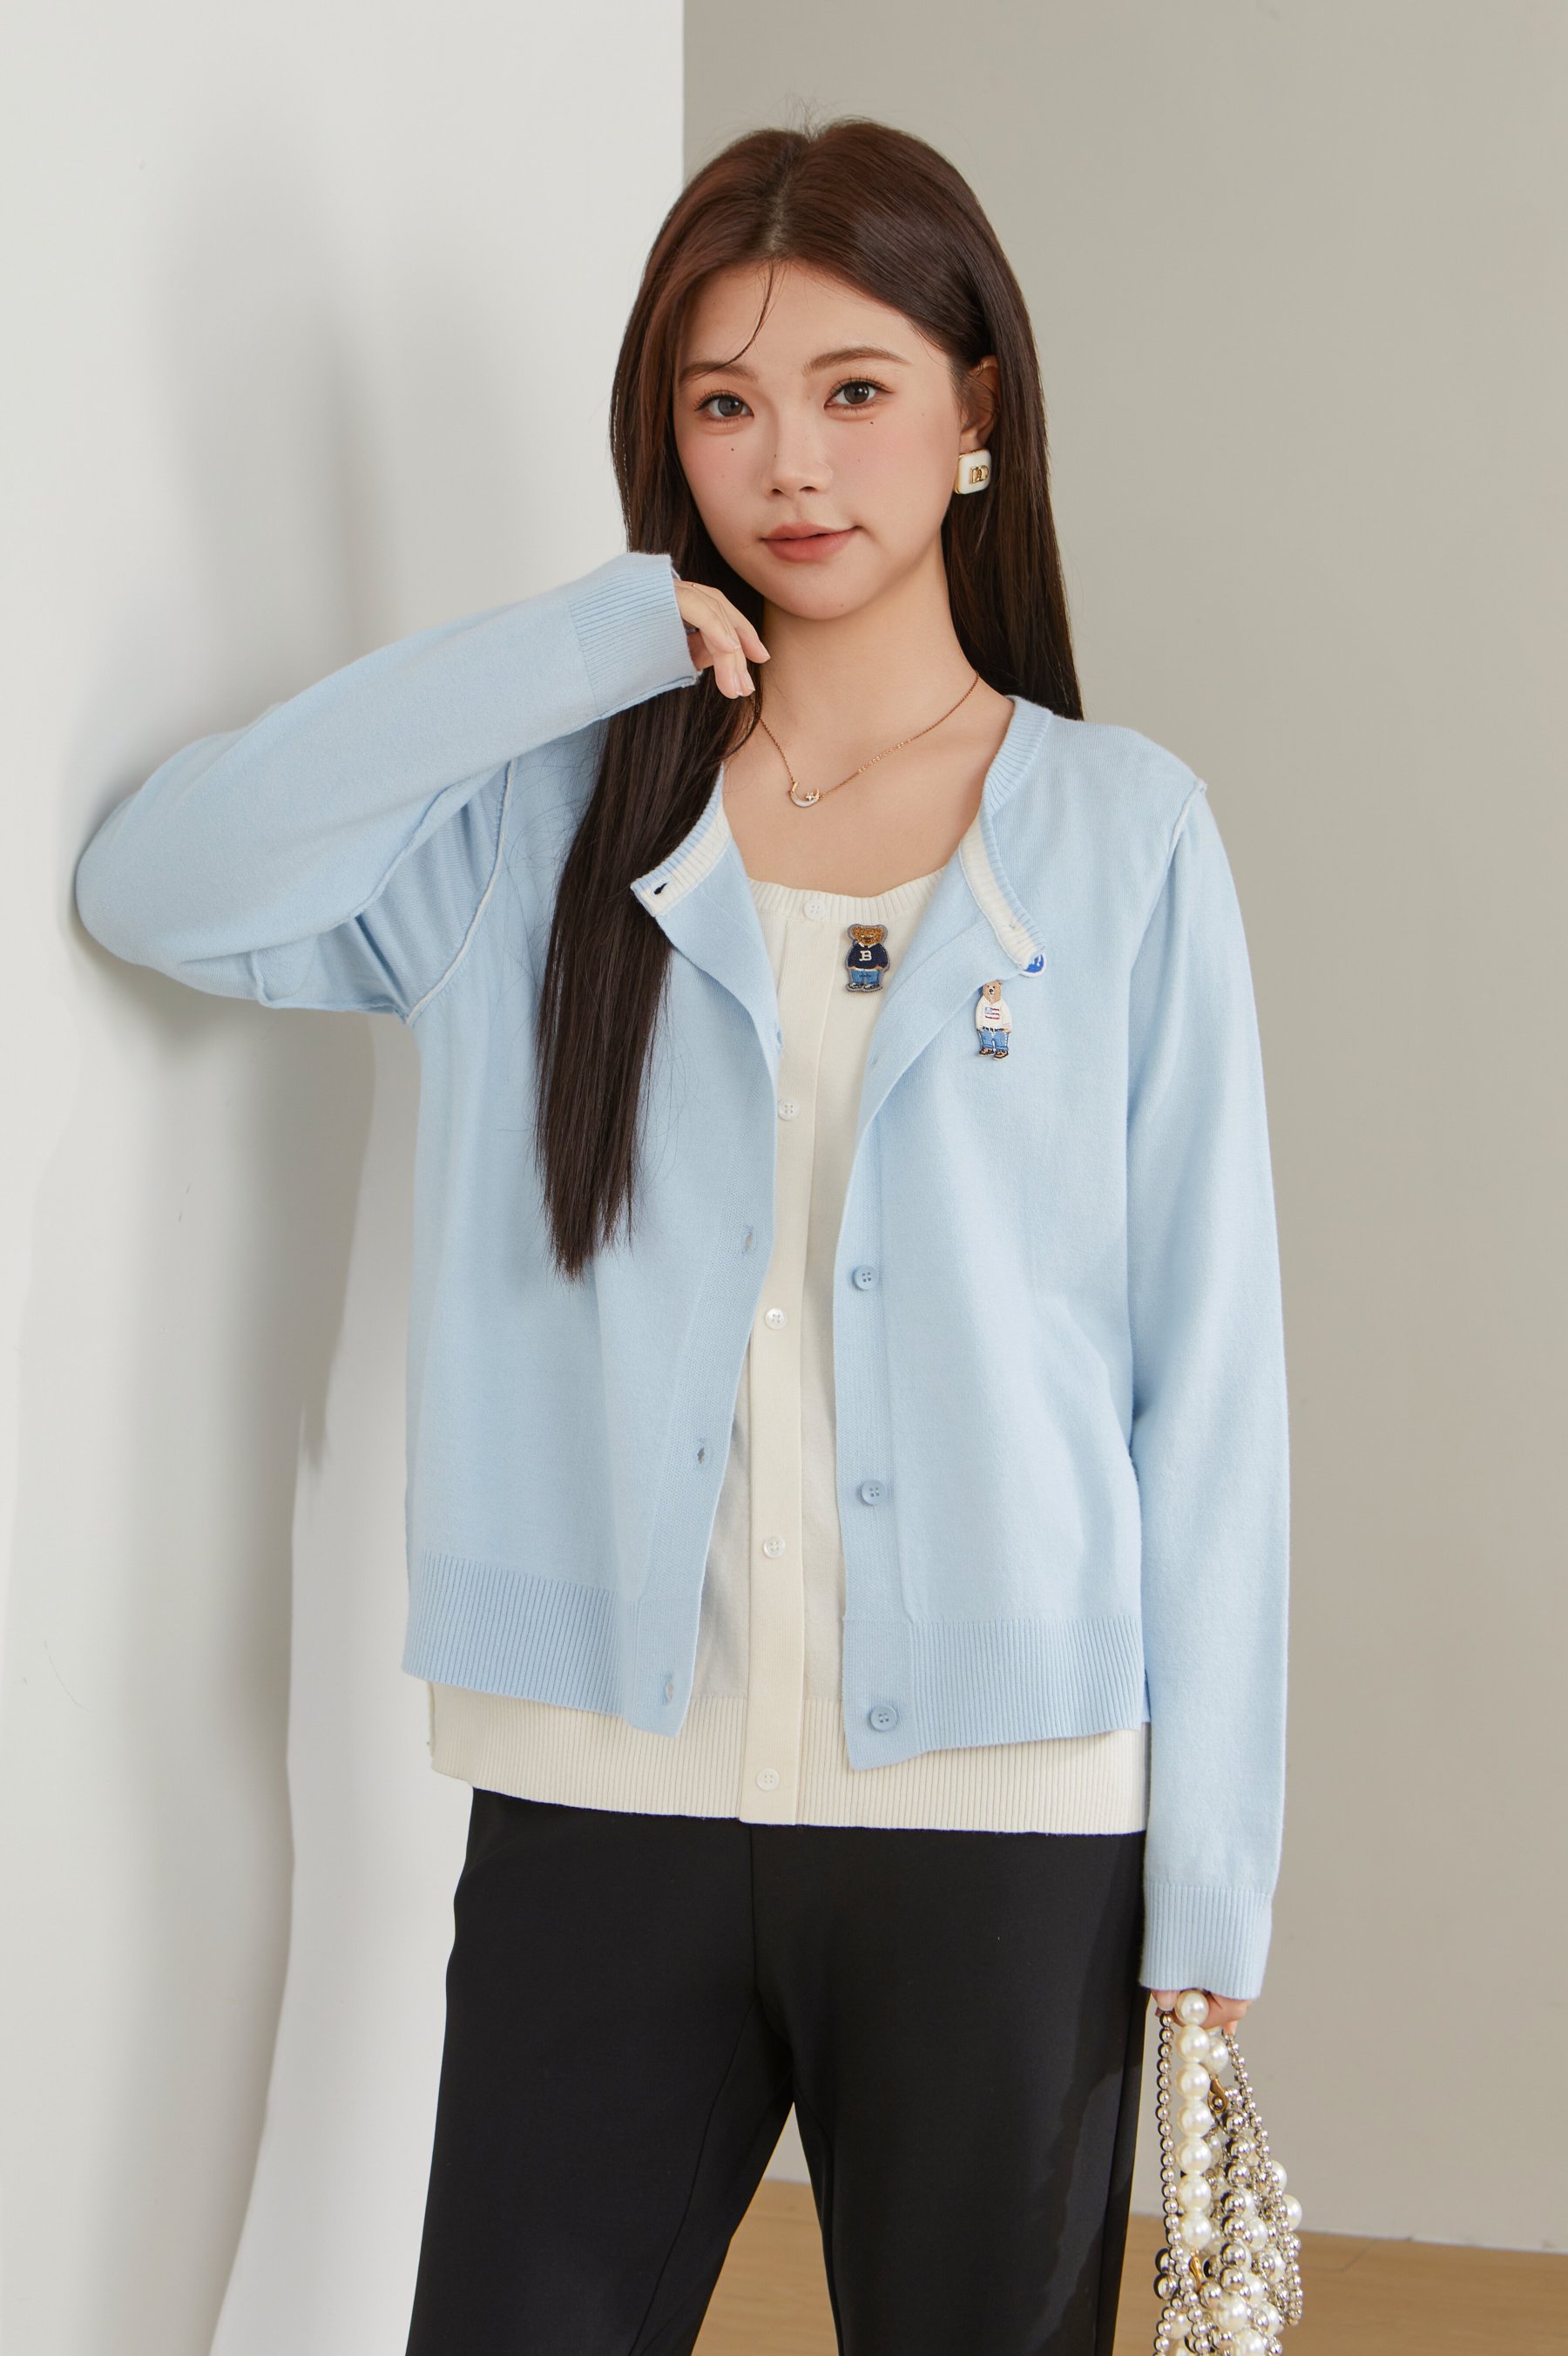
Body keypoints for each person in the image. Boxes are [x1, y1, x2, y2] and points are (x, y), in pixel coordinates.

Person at [73, 117, 1289, 2356]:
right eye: (724, 402)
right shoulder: (542, 824)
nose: (789, 461)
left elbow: (1207, 1387)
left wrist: (1208, 1881)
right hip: (602, 1797)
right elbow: (160, 885)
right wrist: (577, 643)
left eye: (852, 388)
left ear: (977, 409)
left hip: (1006, 1823)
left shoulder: (1125, 841)